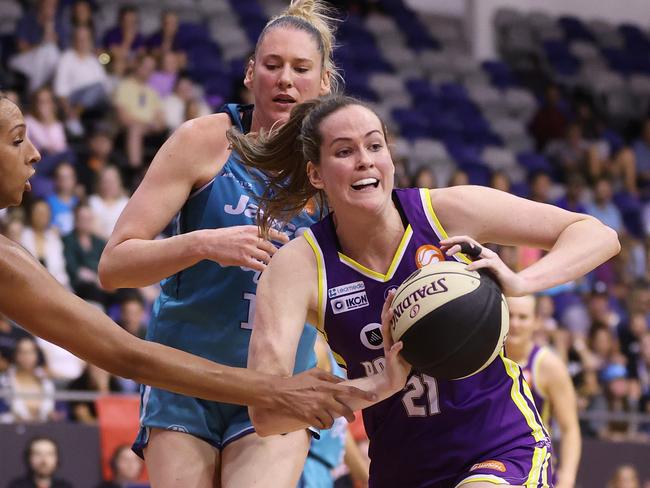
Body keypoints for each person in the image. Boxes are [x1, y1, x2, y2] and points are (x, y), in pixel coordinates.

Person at [228, 95, 621, 487]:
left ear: (390, 160)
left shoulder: (446, 213)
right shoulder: (298, 267)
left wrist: (521, 282)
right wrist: (378, 385)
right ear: (316, 175)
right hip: (403, 468)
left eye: (375, 145)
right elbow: (267, 414)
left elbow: (597, 235)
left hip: (498, 444)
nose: (364, 159)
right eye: (345, 151)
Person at [0, 91, 371, 454]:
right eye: (17, 141)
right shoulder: (6, 262)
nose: (34, 153)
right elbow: (126, 355)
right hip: (200, 388)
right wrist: (273, 390)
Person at [99, 2, 346, 487]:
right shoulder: (204, 140)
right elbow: (114, 266)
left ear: (323, 84)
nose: (284, 80)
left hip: (275, 381)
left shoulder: (331, 168)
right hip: (182, 374)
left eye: (300, 69)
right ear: (251, 73)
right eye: (272, 66)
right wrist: (204, 243)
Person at [505, 295, 581, 488]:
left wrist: (567, 478)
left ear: (536, 321)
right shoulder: (484, 356)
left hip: (534, 469)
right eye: (510, 315)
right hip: (489, 462)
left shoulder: (549, 365)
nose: (515, 323)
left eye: (523, 317)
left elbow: (569, 428)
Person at [7, 437, 74, 488]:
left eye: (49, 454)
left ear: (57, 459)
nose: (44, 460)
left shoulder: (65, 486)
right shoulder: (17, 486)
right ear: (29, 458)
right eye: (38, 454)